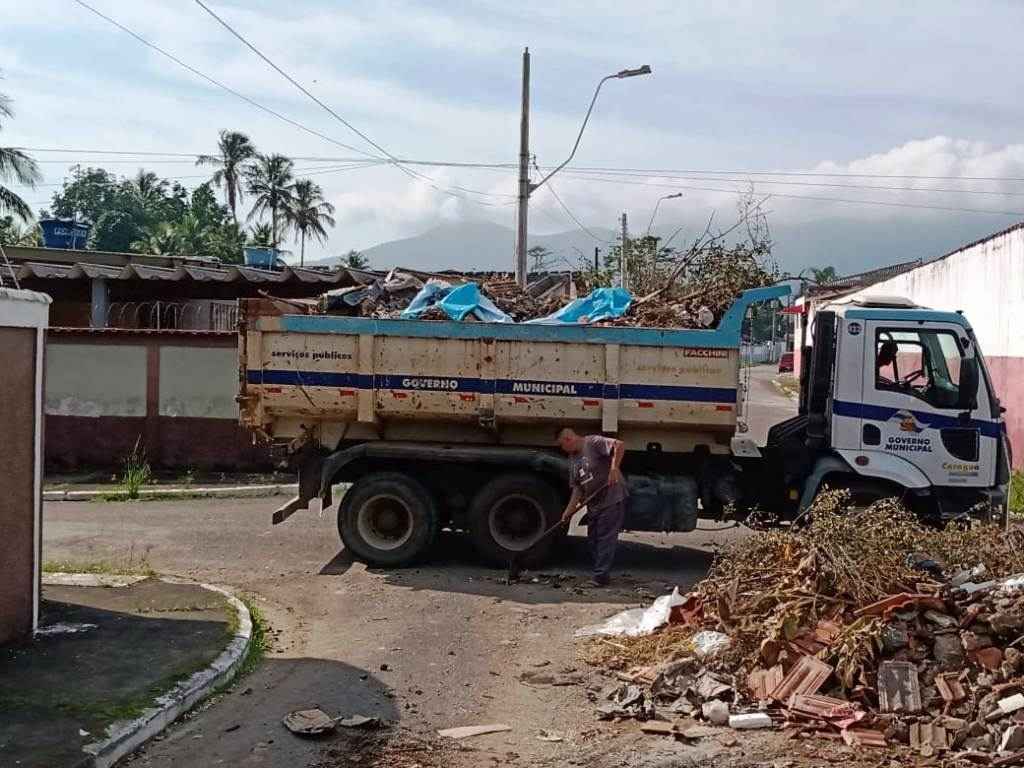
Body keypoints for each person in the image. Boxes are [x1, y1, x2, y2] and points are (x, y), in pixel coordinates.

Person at [557, 428, 626, 587]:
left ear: (568, 439)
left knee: (604, 539)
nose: (562, 449)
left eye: (562, 445)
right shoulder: (573, 459)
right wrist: (569, 511)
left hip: (611, 497)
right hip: (594, 502)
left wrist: (614, 468)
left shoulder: (593, 442)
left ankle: (600, 577)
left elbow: (619, 445)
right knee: (593, 539)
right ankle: (601, 572)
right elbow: (577, 488)